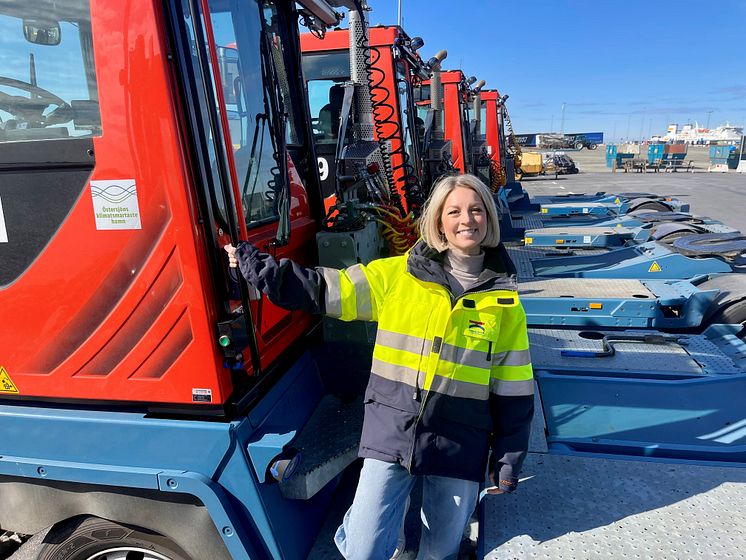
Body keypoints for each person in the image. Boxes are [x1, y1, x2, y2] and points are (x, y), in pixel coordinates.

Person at [225, 173, 533, 560]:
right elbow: (324, 288)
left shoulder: (504, 303)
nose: (465, 220)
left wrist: (506, 460)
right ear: (439, 221)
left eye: (475, 210)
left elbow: (514, 391)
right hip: (393, 430)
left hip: (461, 441)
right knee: (364, 548)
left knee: (441, 550)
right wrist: (260, 269)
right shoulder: (397, 277)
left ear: (488, 218)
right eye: (453, 211)